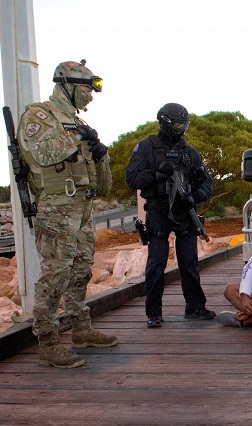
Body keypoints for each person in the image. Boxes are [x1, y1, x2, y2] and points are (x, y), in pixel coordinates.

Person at [16, 60, 116, 368]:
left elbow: (102, 185)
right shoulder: (40, 115)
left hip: (82, 207)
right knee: (55, 274)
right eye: (86, 88)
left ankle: (80, 329)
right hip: (56, 207)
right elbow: (43, 152)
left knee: (81, 270)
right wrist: (79, 137)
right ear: (67, 85)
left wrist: (101, 154)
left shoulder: (77, 122)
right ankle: (47, 341)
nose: (90, 95)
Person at [125, 103, 215, 328]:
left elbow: (207, 182)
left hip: (185, 212)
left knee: (189, 261)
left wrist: (194, 197)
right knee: (156, 262)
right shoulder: (146, 148)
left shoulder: (190, 152)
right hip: (158, 211)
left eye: (183, 124)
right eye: (176, 124)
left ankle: (195, 308)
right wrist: (156, 174)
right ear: (165, 122)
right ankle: (153, 313)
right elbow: (132, 179)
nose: (180, 128)